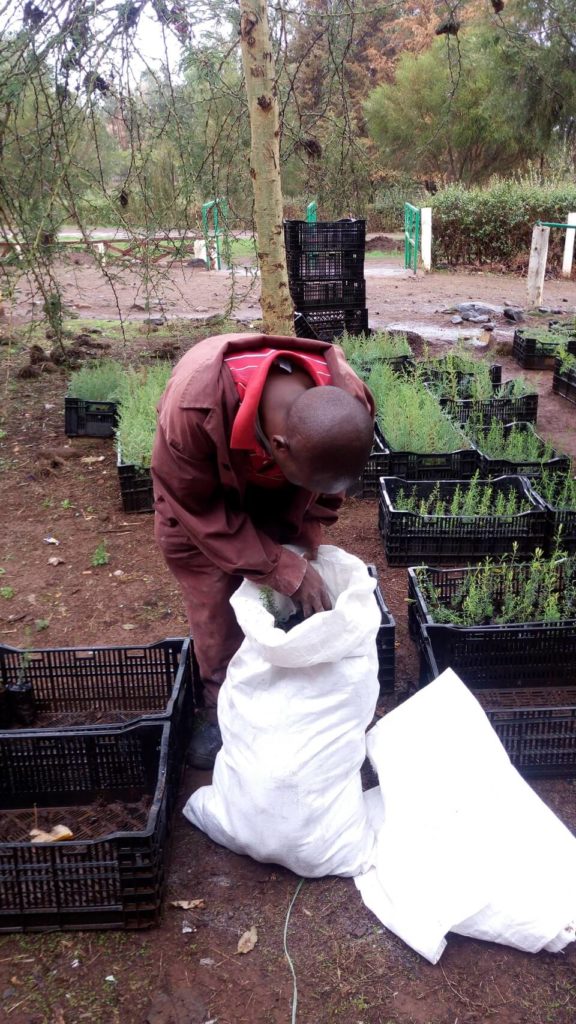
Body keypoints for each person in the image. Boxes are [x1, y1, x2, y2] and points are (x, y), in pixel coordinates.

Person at [151, 332, 375, 769]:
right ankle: (223, 704)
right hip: (201, 495)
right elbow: (198, 511)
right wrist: (274, 565)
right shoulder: (194, 409)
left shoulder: (348, 401)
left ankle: (281, 692)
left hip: (283, 482)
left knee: (288, 577)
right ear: (277, 449)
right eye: (307, 479)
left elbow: (328, 488)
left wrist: (302, 542)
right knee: (217, 596)